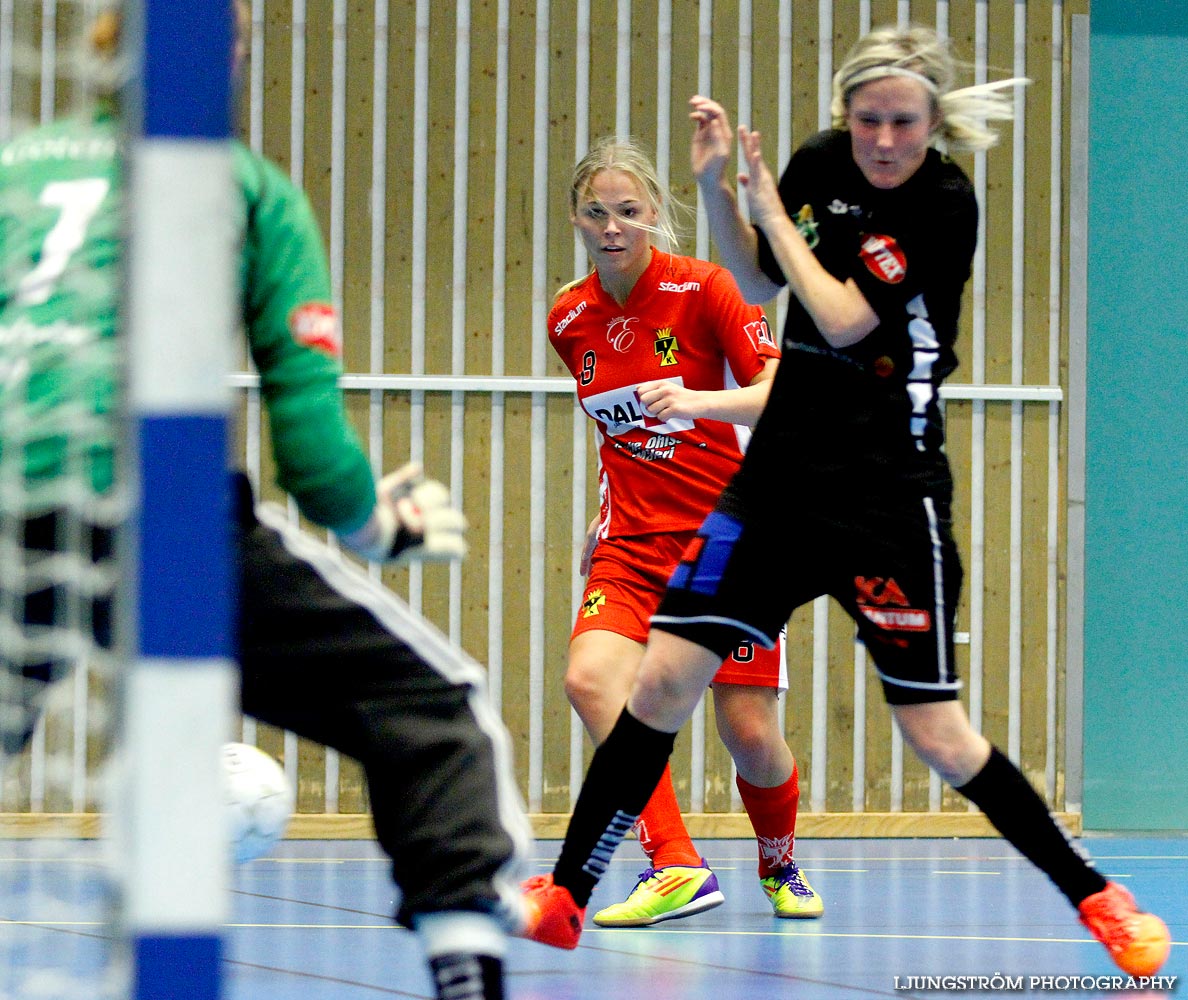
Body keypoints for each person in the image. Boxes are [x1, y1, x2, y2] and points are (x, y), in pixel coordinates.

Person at [520, 24, 1173, 980]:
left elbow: (842, 315)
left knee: (937, 735)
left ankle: (1097, 896)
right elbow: (753, 277)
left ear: (932, 121)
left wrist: (769, 217)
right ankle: (571, 892)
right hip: (778, 484)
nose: (882, 140)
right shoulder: (819, 164)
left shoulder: (946, 201)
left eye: (903, 122)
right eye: (867, 120)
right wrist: (713, 186)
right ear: (844, 115)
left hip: (885, 494)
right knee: (656, 686)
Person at [0, 8, 532, 1000]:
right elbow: (315, 457)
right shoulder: (243, 186)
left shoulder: (17, 167)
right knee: (437, 710)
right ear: (226, 57)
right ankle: (466, 967)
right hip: (153, 516)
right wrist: (382, 524)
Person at [546, 136, 822, 931]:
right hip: (630, 545)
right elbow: (618, 440)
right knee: (592, 681)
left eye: (629, 210)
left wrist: (697, 403)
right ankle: (675, 864)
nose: (612, 226)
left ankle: (780, 862)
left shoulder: (706, 291)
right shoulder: (569, 317)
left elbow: (783, 391)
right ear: (576, 216)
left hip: (728, 540)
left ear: (656, 215)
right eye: (596, 211)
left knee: (749, 732)